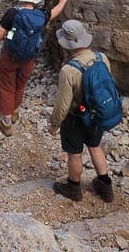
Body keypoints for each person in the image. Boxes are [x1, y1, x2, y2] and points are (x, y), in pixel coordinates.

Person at [0, 0, 69, 136]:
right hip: (29, 59)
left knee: (6, 86)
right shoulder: (42, 15)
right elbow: (54, 12)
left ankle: (7, 121)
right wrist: (63, 0)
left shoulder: (13, 13)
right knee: (20, 85)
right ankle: (15, 111)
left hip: (10, 56)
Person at [48, 19, 114, 202]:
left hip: (77, 118)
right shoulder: (102, 58)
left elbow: (63, 104)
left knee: (75, 153)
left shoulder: (69, 70)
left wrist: (54, 124)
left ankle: (74, 188)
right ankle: (105, 185)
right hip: (98, 114)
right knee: (94, 145)